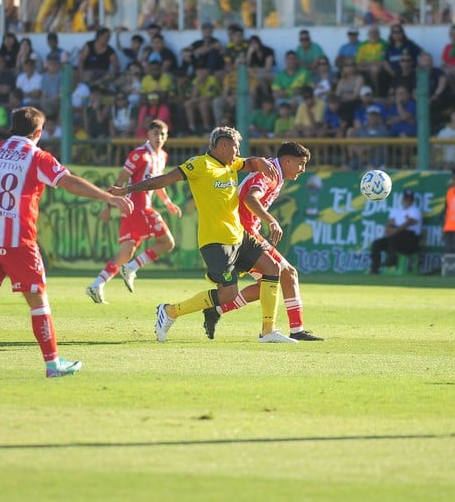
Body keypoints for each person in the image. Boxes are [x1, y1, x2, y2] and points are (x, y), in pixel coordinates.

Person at [0, 106, 133, 381]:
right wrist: (109, 197)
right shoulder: (36, 156)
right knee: (38, 302)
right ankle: (52, 363)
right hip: (18, 240)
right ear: (39, 132)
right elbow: (68, 182)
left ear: (12, 127)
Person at [109, 126, 296, 343]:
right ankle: (170, 311)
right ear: (223, 146)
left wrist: (260, 160)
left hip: (240, 236)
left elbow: (250, 162)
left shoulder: (232, 163)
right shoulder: (199, 165)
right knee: (228, 295)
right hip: (216, 241)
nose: (238, 153)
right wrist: (127, 190)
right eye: (236, 148)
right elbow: (162, 180)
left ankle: (268, 331)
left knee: (273, 268)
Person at [201, 142, 324, 341]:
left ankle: (216, 310)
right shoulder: (270, 173)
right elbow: (250, 199)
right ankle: (294, 330)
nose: (303, 169)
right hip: (243, 233)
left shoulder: (274, 172)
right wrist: (272, 221)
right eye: (301, 164)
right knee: (287, 274)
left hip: (245, 231)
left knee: (268, 285)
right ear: (287, 160)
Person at [86, 120, 181, 303]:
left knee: (126, 251)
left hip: (133, 210)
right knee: (167, 242)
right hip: (138, 207)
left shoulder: (162, 156)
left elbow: (157, 184)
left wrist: (168, 203)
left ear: (167, 136)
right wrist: (108, 206)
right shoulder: (139, 155)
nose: (159, 137)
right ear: (148, 135)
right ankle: (132, 267)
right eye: (155, 133)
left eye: (163, 134)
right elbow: (120, 181)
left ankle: (97, 284)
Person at [370, 189, 422, 274]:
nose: (407, 201)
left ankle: (392, 260)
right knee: (377, 243)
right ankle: (375, 268)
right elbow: (389, 223)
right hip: (394, 238)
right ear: (402, 199)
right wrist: (388, 230)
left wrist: (395, 231)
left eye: (410, 199)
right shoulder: (397, 210)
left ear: (413, 200)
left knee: (398, 235)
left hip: (410, 241)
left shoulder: (415, 211)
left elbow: (408, 223)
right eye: (406, 199)